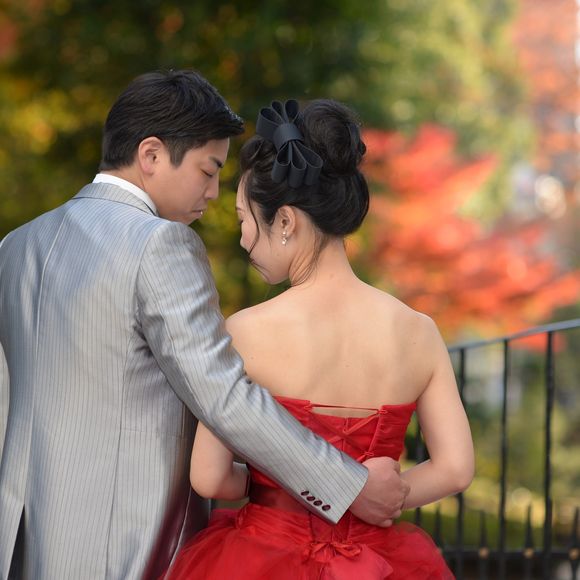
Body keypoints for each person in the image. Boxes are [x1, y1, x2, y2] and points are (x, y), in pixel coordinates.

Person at [0, 72, 408, 580]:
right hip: (123, 545)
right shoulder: (159, 244)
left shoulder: (16, 246)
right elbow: (224, 396)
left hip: (20, 541)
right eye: (207, 170)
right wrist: (347, 486)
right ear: (151, 155)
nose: (214, 192)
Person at [164, 99, 475, 579]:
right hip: (378, 561)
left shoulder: (246, 331)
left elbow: (209, 477)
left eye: (245, 219)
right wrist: (376, 496)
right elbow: (455, 468)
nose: (244, 239)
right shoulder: (418, 331)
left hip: (262, 556)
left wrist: (275, 481)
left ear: (285, 221)